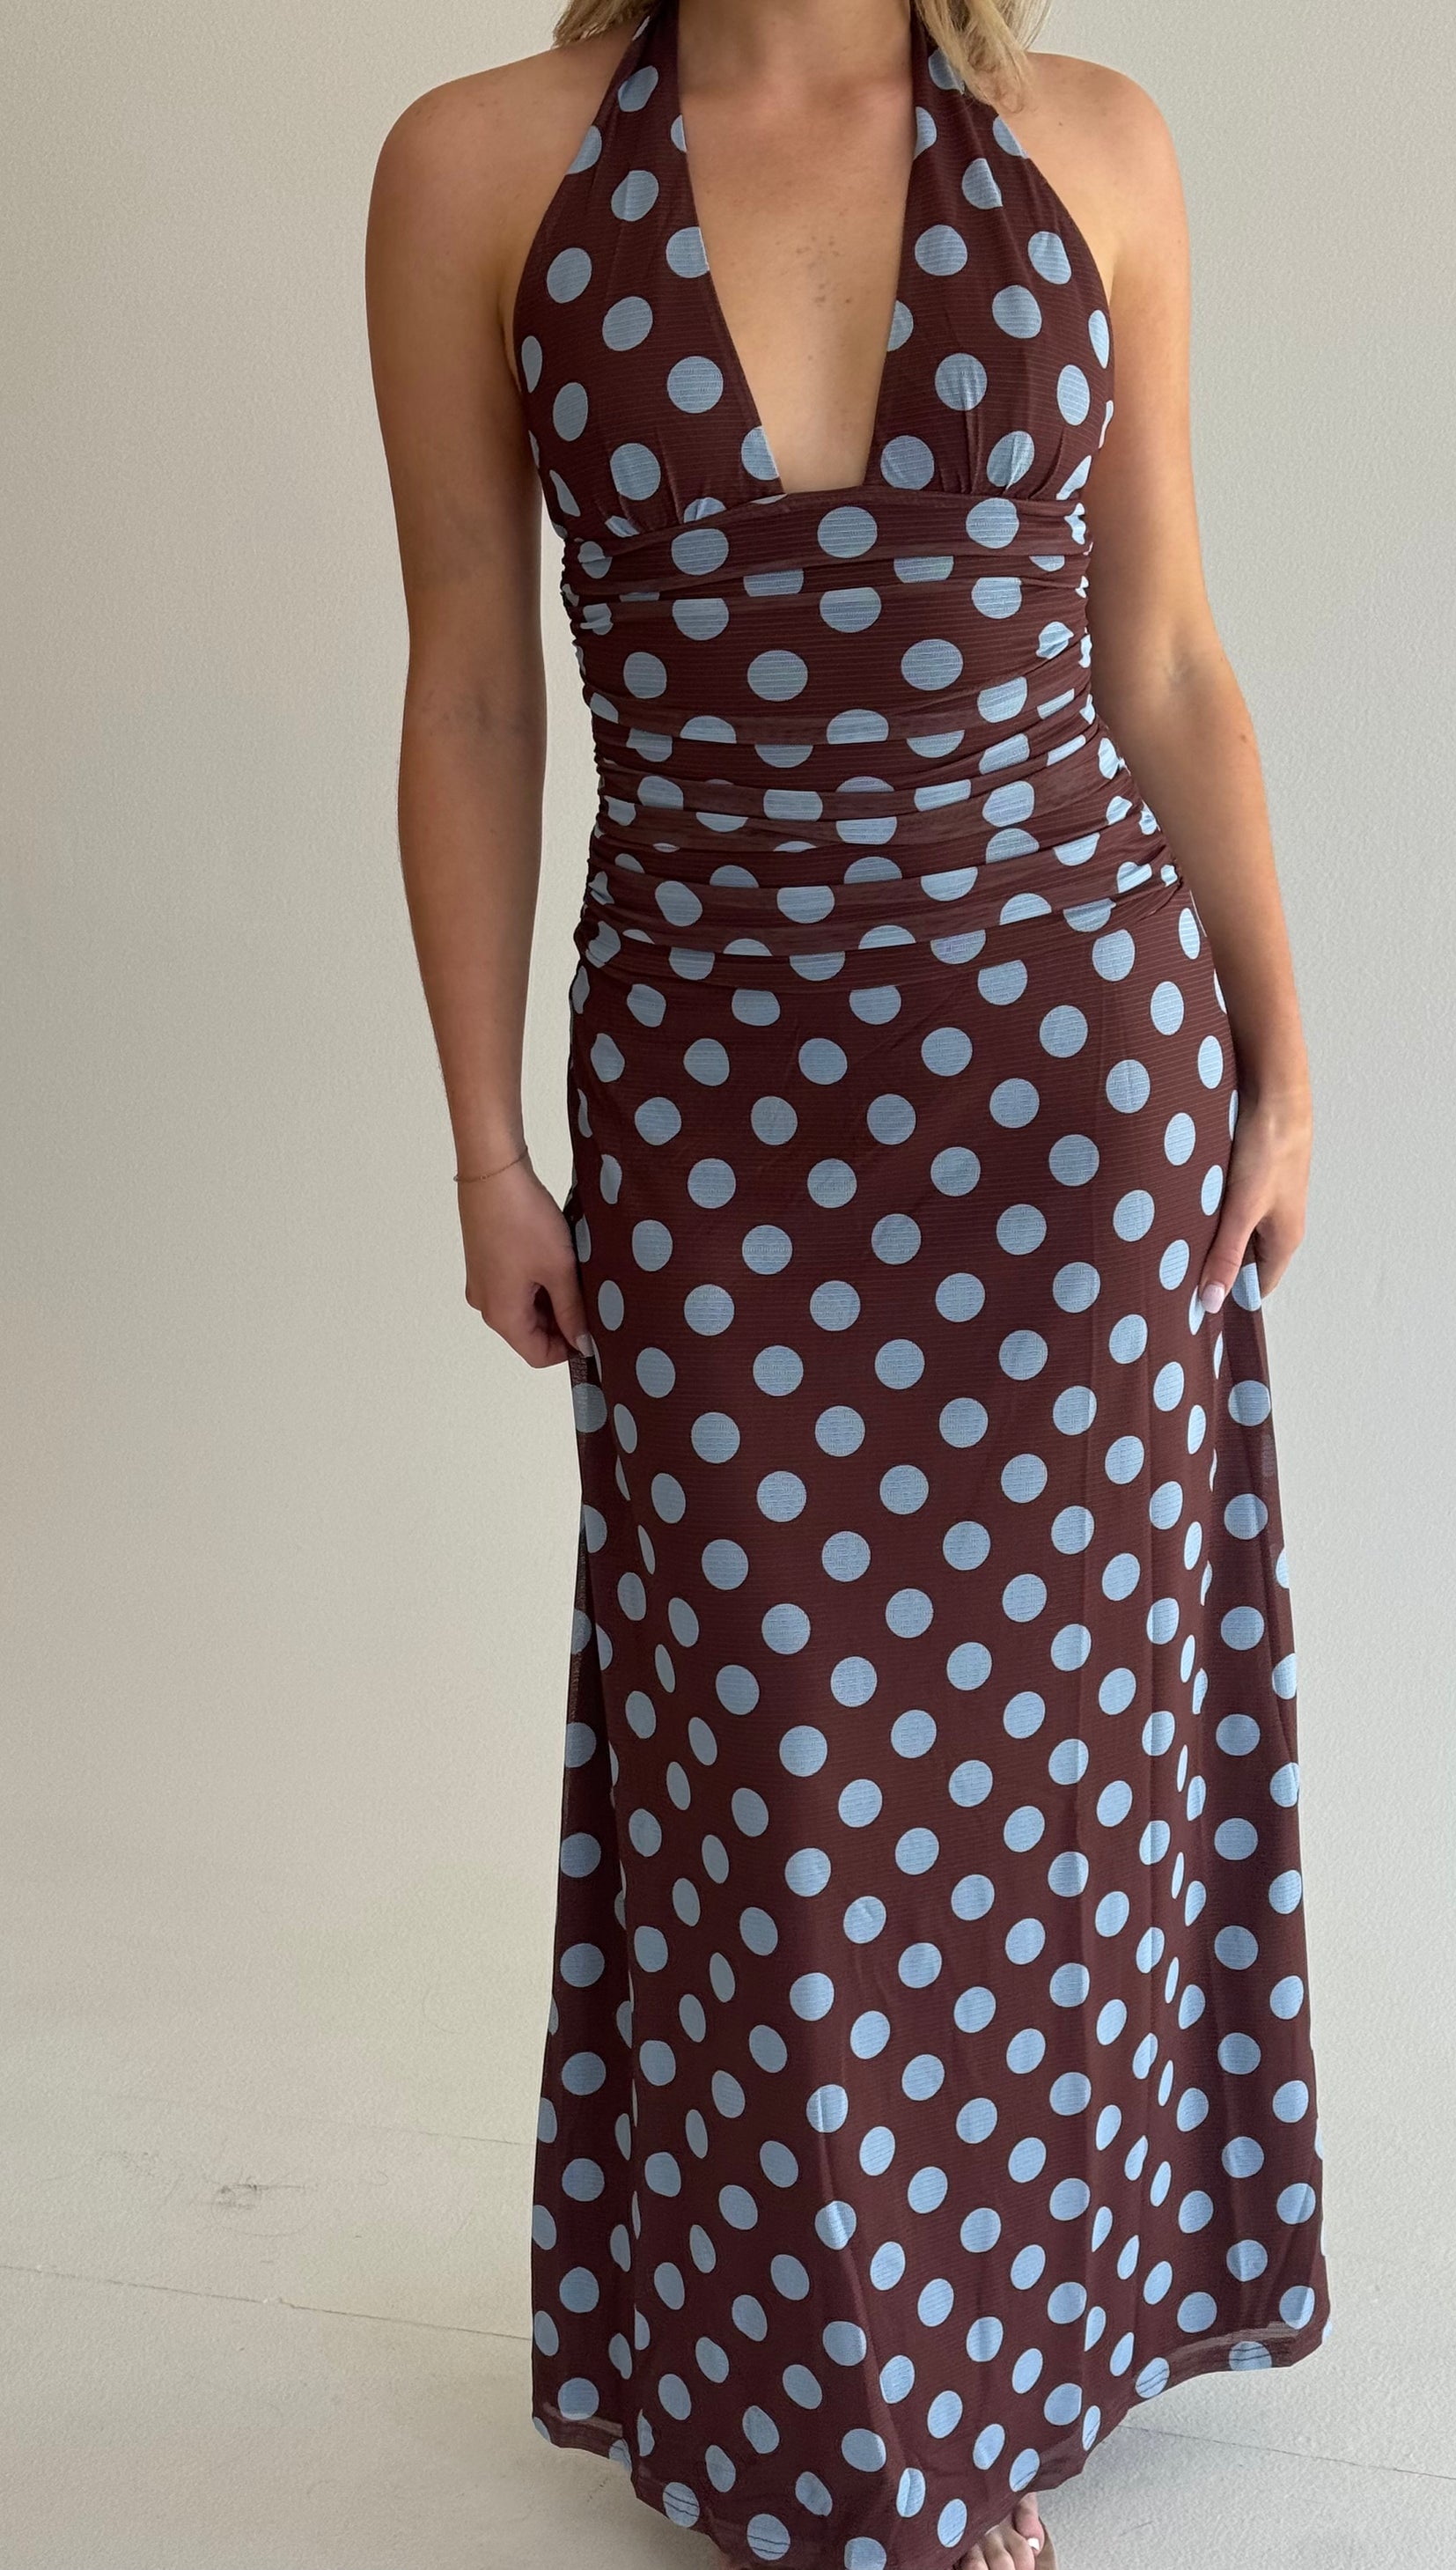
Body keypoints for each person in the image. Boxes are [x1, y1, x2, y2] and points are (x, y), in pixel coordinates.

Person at [364, 4, 1328, 2566]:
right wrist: (485, 1141)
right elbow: (471, 679)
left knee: (1056, 1767)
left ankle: (988, 2384)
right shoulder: (481, 166)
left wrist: (1283, 1062)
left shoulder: (1087, 142)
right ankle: (834, 2387)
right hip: (707, 1097)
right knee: (772, 1765)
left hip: (1071, 1090)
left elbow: (1165, 656)